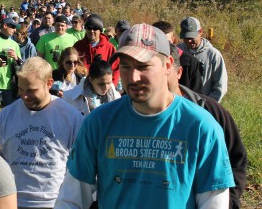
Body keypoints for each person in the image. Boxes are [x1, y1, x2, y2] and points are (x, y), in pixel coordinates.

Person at [55, 24, 234, 208]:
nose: (133, 77)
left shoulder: (201, 127)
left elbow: (213, 202)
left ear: (168, 65)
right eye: (125, 66)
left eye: (143, 66)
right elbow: (71, 199)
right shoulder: (98, 122)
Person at [0, 57, 83, 209]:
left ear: (49, 83)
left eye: (31, 90)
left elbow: (81, 167)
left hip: (56, 203)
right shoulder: (5, 116)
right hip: (12, 202)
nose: (24, 96)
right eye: (20, 89)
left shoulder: (71, 118)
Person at [167, 43, 247, 209]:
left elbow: (236, 159)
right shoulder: (126, 115)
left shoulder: (209, 112)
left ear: (178, 72)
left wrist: (229, 201)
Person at [177, 16, 228, 102]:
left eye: (191, 37)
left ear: (200, 32)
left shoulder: (213, 55)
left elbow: (220, 87)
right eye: (186, 38)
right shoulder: (177, 51)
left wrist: (206, 106)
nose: (189, 41)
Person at [152, 20, 203, 93]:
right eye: (158, 42)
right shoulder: (145, 61)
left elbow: (196, 96)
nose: (163, 46)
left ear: (173, 40)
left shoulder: (190, 62)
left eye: (166, 42)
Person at [73, 14, 120, 87]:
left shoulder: (109, 47)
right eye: (89, 28)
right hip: (82, 88)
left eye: (95, 28)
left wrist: (110, 86)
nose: (91, 31)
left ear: (100, 30)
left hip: (103, 89)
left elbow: (116, 70)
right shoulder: (78, 46)